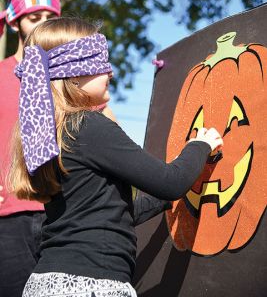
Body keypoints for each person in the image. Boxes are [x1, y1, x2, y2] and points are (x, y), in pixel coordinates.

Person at [8, 17, 223, 297]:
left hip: (47, 281)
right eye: (100, 63)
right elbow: (171, 182)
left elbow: (118, 211)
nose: (110, 72)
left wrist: (170, 197)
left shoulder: (54, 134)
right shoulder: (89, 126)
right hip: (90, 284)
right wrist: (200, 145)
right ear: (74, 73)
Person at [0, 0, 116, 297]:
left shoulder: (69, 79)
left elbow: (110, 132)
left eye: (49, 15)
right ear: (16, 22)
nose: (42, 22)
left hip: (69, 211)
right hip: (12, 215)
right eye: (33, 17)